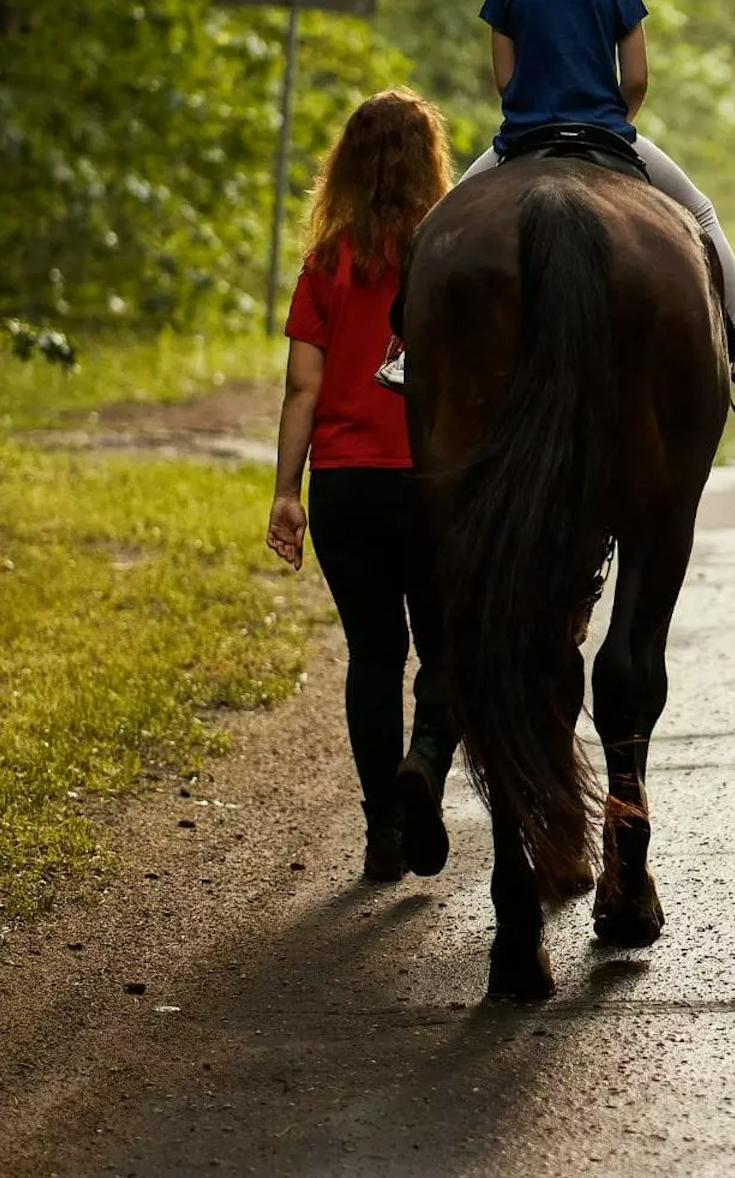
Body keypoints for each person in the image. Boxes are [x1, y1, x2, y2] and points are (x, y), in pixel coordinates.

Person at [375, 0, 735, 409]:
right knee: (700, 212)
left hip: (521, 140)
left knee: (437, 227)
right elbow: (637, 78)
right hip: (607, 134)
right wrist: (615, 123)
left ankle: (409, 350)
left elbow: (505, 80)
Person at [267, 89, 460, 884]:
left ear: (346, 165)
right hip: (435, 482)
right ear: (430, 161)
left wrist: (287, 492)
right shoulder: (453, 257)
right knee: (448, 646)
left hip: (346, 487)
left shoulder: (326, 263)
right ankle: (426, 762)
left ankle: (383, 830)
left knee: (373, 656)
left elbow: (301, 389)